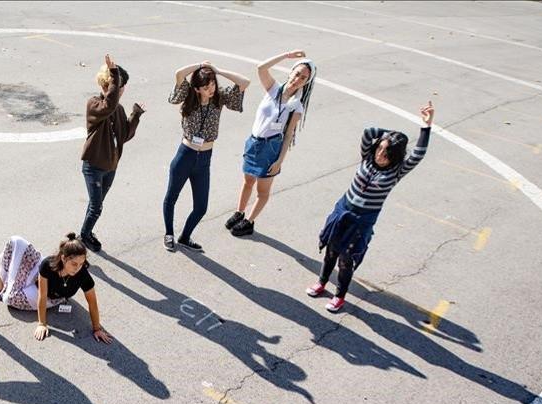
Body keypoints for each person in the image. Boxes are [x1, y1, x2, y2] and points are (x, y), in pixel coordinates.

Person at [308, 102, 435, 312]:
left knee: (346, 259)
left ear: (395, 155)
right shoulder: (367, 157)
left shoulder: (396, 171)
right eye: (380, 149)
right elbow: (368, 132)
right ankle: (321, 283)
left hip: (362, 220)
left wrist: (426, 126)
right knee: (331, 250)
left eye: (387, 152)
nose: (380, 154)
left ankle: (339, 296)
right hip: (342, 211)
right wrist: (390, 135)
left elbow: (419, 153)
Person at [225, 50, 315, 238]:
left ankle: (249, 222)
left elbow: (289, 134)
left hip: (270, 148)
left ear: (306, 83)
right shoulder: (274, 89)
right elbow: (261, 67)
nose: (298, 79)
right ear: (291, 72)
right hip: (253, 142)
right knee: (248, 180)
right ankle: (239, 212)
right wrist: (287, 55)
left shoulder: (296, 106)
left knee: (262, 190)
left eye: (303, 78)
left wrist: (280, 160)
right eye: (297, 73)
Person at [162, 61, 248, 253]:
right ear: (197, 88)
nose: (211, 89)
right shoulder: (188, 96)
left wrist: (218, 71)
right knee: (171, 197)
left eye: (212, 84)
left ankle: (185, 237)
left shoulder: (220, 98)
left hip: (205, 158)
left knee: (201, 207)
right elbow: (178, 72)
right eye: (206, 87)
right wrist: (200, 65)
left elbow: (245, 82)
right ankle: (169, 234)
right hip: (185, 155)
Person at [0, 233, 113, 344]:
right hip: (39, 279)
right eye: (74, 264)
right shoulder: (48, 264)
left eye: (81, 264)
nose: (77, 268)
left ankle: (11, 284)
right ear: (63, 258)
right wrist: (42, 323)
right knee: (16, 241)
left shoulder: (83, 274)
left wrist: (97, 328)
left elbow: (92, 302)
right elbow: (42, 291)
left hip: (52, 298)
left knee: (9, 298)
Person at [79, 54, 144, 253]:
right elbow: (109, 104)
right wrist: (114, 73)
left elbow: (124, 135)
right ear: (109, 84)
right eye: (120, 85)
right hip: (93, 167)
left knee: (95, 205)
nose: (122, 89)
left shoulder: (118, 109)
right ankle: (84, 236)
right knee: (97, 207)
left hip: (110, 166)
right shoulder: (95, 105)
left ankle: (86, 232)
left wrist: (135, 115)